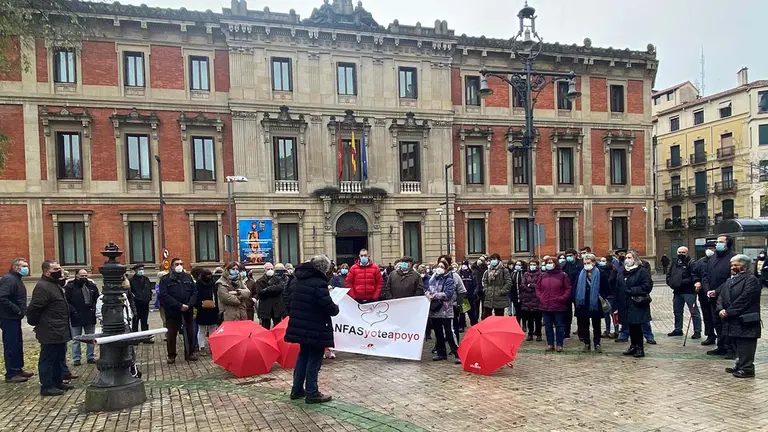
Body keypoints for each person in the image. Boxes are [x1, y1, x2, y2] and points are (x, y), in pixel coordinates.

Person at [285, 255, 339, 404]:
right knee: (314, 360)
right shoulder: (318, 282)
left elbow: (288, 299)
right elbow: (328, 306)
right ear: (322, 268)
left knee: (303, 356)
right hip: (316, 327)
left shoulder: (297, 279)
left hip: (301, 325)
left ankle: (297, 390)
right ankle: (312, 392)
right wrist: (336, 308)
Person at [26, 260, 73, 396]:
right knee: (48, 358)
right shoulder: (43, 287)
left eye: (59, 268)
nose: (60, 271)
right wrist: (36, 323)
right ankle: (47, 386)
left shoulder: (54, 285)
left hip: (60, 329)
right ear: (47, 272)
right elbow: (34, 309)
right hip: (49, 329)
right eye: (56, 269)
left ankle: (57, 382)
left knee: (59, 357)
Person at [716, 254, 762, 378]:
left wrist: (729, 311)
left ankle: (747, 368)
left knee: (746, 345)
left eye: (735, 265)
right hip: (731, 320)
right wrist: (720, 309)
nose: (732, 267)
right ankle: (739, 364)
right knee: (735, 343)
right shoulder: (730, 280)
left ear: (744, 266)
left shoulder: (751, 280)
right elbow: (721, 296)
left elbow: (745, 299)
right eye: (732, 265)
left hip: (745, 319)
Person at [0, 258, 34, 383]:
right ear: (15, 267)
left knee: (17, 344)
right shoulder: (9, 279)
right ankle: (11, 372)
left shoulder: (16, 279)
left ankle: (18, 369)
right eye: (24, 266)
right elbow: (2, 297)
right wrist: (17, 309)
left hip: (14, 317)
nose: (26, 268)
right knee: (11, 344)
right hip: (9, 317)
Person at [701, 235, 736, 358]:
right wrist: (708, 290)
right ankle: (721, 346)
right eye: (717, 242)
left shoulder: (732, 259)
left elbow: (730, 279)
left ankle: (730, 349)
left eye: (721, 242)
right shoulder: (712, 259)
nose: (717, 244)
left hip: (727, 297)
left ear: (728, 244)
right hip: (712, 297)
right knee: (717, 323)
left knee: (727, 323)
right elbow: (705, 276)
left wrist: (716, 291)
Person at [159, 257, 198, 364]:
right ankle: (171, 355)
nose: (179, 266)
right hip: (173, 312)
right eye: (177, 264)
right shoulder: (165, 279)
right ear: (172, 266)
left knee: (190, 333)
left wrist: (189, 305)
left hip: (187, 310)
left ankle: (190, 353)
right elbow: (164, 295)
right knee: (171, 334)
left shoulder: (187, 277)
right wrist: (179, 305)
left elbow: (194, 292)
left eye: (181, 263)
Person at [616, 250, 653, 358]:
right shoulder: (622, 271)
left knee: (637, 325)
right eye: (626, 257)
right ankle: (633, 346)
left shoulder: (641, 271)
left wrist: (632, 290)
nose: (627, 259)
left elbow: (647, 286)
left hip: (637, 302)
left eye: (629, 257)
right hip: (625, 303)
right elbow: (618, 286)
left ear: (635, 258)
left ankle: (639, 348)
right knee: (630, 325)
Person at [574, 254, 610, 353]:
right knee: (584, 324)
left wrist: (600, 295)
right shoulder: (580, 273)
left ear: (593, 263)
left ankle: (597, 343)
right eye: (585, 263)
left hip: (595, 303)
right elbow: (575, 286)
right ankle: (586, 343)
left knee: (596, 324)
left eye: (588, 263)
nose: (586, 265)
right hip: (583, 303)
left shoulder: (601, 273)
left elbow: (606, 288)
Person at [64, 269, 99, 366]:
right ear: (76, 276)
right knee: (76, 339)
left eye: (85, 275)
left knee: (91, 337)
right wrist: (73, 311)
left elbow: (97, 299)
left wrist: (94, 309)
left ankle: (90, 357)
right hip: (76, 315)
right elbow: (67, 301)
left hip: (89, 315)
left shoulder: (91, 286)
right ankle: (76, 358)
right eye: (82, 275)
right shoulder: (70, 287)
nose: (84, 277)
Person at [427, 261, 460, 364]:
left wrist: (434, 296)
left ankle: (457, 353)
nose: (439, 268)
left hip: (446, 310)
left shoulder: (449, 279)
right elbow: (429, 289)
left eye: (442, 266)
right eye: (438, 266)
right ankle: (441, 353)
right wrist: (427, 293)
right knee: (438, 332)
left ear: (446, 269)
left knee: (449, 332)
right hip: (435, 310)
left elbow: (448, 294)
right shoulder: (433, 279)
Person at [536, 257, 571, 352]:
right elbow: (538, 288)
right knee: (548, 326)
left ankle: (560, 344)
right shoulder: (542, 275)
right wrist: (540, 297)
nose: (549, 264)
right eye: (547, 263)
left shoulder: (562, 275)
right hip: (545, 305)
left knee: (559, 326)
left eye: (551, 262)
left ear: (555, 264)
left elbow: (568, 288)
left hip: (558, 305)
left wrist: (562, 298)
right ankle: (550, 344)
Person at [666, 247, 701, 339]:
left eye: (683, 252)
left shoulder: (691, 263)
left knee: (694, 312)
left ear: (687, 253)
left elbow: (694, 276)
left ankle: (697, 331)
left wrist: (682, 282)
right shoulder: (675, 262)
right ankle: (678, 329)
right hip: (677, 292)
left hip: (689, 291)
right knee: (677, 312)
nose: (681, 254)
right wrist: (670, 282)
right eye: (679, 252)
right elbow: (669, 274)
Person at [694, 241, 716, 345]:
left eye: (712, 248)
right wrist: (697, 281)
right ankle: (710, 335)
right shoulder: (701, 261)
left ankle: (723, 337)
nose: (710, 250)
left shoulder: (719, 261)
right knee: (707, 315)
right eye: (708, 248)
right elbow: (694, 273)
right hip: (703, 293)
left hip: (716, 293)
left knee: (717, 315)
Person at [194, 268, 218, 356]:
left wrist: (217, 306)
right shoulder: (198, 285)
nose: (208, 276)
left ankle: (212, 346)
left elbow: (216, 295)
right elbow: (195, 296)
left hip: (213, 310)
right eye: (206, 275)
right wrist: (200, 305)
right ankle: (202, 347)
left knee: (213, 330)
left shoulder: (213, 284)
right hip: (202, 310)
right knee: (202, 330)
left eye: (209, 275)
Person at [256, 263, 288, 329]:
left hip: (276, 308)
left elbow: (280, 288)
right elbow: (260, 293)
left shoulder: (278, 279)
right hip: (265, 308)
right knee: (265, 328)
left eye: (271, 269)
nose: (270, 270)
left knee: (278, 327)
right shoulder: (259, 281)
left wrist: (268, 289)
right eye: (268, 269)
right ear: (264, 270)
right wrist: (273, 290)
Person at [481, 254, 512, 319]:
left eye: (494, 259)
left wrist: (502, 291)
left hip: (500, 298)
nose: (493, 261)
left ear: (498, 260)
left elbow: (508, 282)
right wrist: (486, 290)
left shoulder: (504, 270)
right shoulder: (488, 270)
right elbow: (485, 281)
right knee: (486, 316)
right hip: (489, 297)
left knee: (499, 317)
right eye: (491, 259)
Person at [562, 249, 583, 340]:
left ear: (575, 255)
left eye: (570, 255)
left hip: (577, 291)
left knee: (580, 312)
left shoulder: (580, 264)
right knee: (567, 313)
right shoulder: (564, 265)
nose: (568, 257)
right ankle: (566, 331)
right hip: (567, 292)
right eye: (567, 256)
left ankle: (581, 332)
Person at [129, 264, 153, 340]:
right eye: (139, 269)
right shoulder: (131, 280)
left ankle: (145, 337)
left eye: (142, 269)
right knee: (135, 320)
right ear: (135, 270)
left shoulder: (146, 279)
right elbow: (130, 292)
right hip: (136, 303)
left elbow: (149, 289)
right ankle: (135, 338)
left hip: (145, 303)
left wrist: (149, 297)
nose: (141, 271)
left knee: (144, 320)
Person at [520, 259, 542, 341]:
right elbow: (522, 284)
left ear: (537, 265)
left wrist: (531, 285)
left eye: (534, 264)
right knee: (529, 318)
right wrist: (528, 288)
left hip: (537, 299)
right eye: (531, 264)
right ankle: (530, 334)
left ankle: (538, 334)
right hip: (527, 299)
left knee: (538, 319)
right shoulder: (525, 274)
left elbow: (539, 285)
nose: (532, 266)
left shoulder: (541, 274)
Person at [598, 255, 619, 338]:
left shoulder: (613, 271)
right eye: (601, 260)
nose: (601, 262)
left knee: (613, 313)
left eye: (604, 261)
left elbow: (609, 281)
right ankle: (607, 330)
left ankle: (616, 331)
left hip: (611, 295)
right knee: (606, 313)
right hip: (604, 295)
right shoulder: (601, 270)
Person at [458, 261, 479, 326]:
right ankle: (461, 325)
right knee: (462, 312)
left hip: (471, 295)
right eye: (463, 264)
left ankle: (474, 324)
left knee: (472, 312)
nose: (464, 266)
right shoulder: (459, 274)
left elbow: (476, 285)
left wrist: (474, 293)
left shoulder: (472, 273)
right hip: (462, 296)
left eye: (465, 265)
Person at [509, 259, 526, 326]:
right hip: (515, 295)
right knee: (517, 311)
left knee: (523, 311)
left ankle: (524, 324)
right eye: (516, 265)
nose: (517, 266)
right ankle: (518, 324)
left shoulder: (524, 273)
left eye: (519, 265)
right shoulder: (513, 273)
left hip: (523, 295)